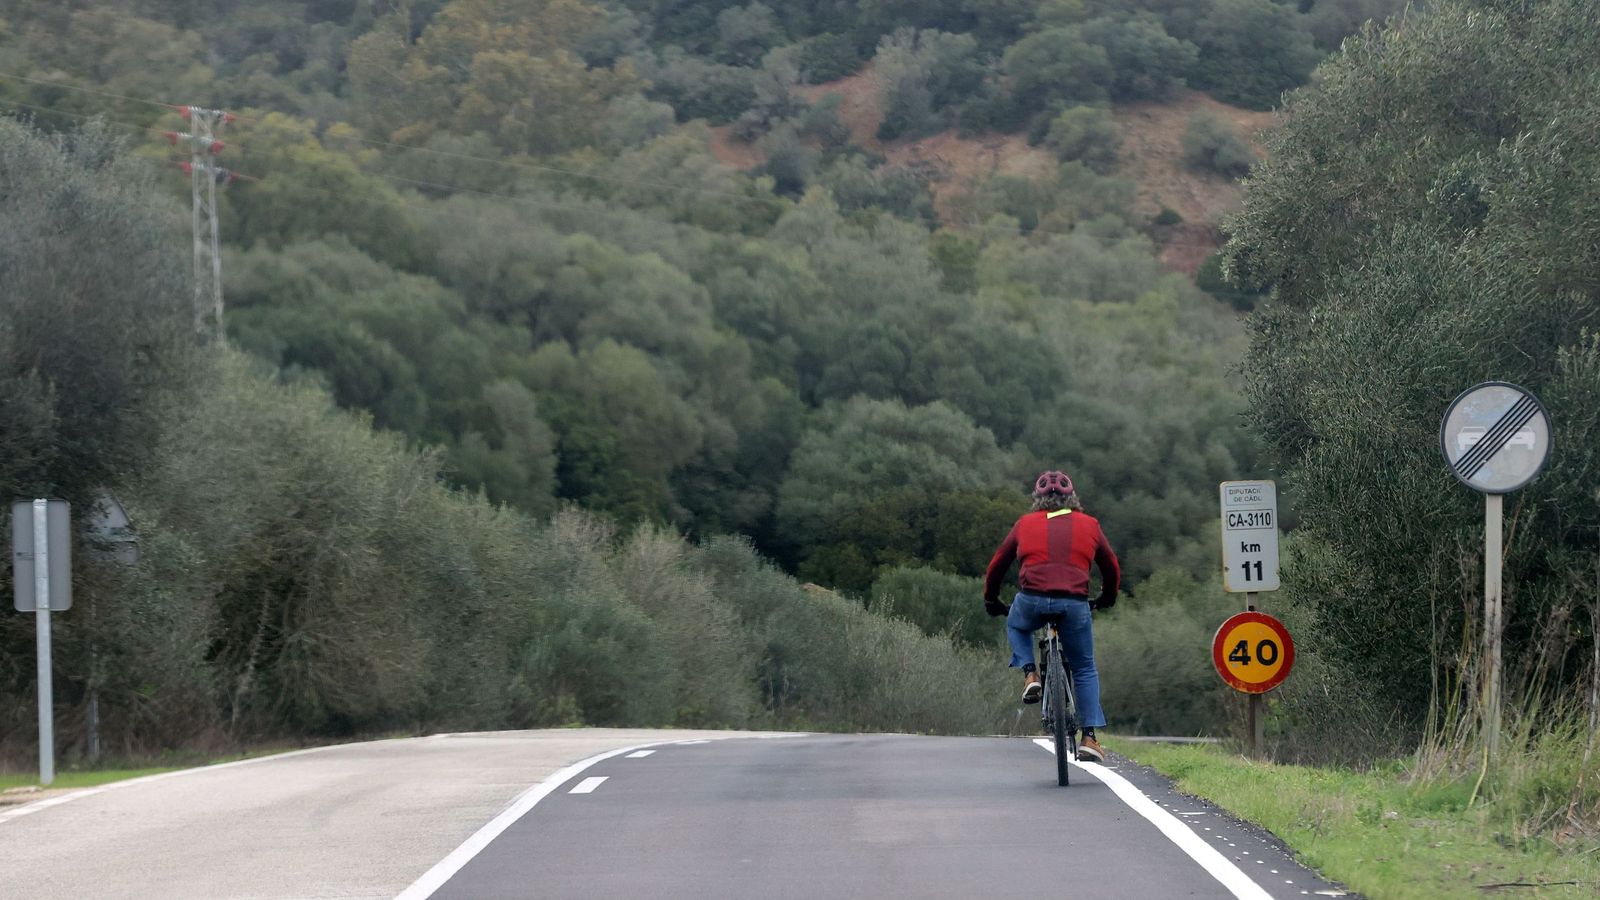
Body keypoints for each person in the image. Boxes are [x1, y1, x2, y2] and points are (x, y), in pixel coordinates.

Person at [982, 470, 1121, 763]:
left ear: (1037, 499)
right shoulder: (1090, 524)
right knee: (1084, 668)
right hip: (1074, 604)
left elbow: (997, 564)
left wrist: (991, 598)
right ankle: (1089, 737)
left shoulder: (1024, 523)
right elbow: (1110, 566)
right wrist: (1108, 597)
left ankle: (1030, 672)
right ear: (1072, 498)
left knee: (1017, 625)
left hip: (1031, 600)